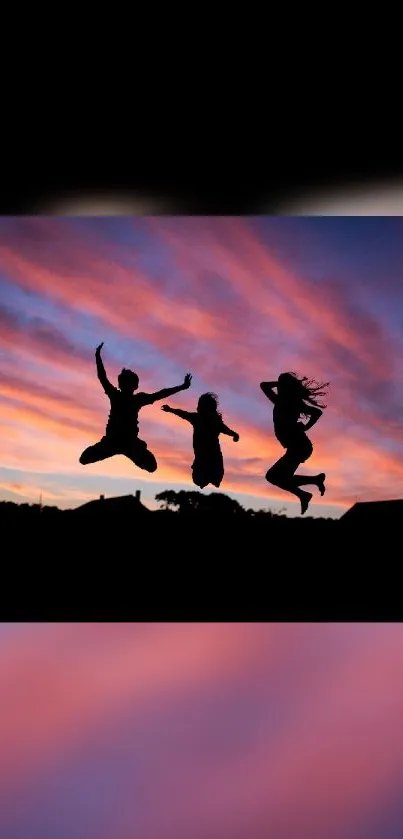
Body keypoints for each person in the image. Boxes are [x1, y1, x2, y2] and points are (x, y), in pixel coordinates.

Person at [79, 342, 192, 472]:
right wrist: (97, 356)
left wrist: (182, 387)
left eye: (130, 383)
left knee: (152, 467)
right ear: (120, 385)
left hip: (130, 443)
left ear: (135, 386)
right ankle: (113, 450)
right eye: (124, 383)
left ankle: (137, 454)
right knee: (84, 459)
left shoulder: (138, 399)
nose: (127, 386)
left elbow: (160, 394)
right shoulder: (115, 395)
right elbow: (102, 377)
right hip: (111, 442)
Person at [260, 372, 329, 514]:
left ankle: (313, 482)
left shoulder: (291, 403)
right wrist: (283, 383)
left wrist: (306, 427)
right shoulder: (281, 401)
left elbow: (317, 413)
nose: (279, 387)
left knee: (273, 477)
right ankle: (304, 492)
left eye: (282, 384)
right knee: (277, 478)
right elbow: (264, 386)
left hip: (299, 446)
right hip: (298, 446)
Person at [162, 392, 239, 489]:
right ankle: (207, 479)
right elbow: (182, 413)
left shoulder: (213, 421)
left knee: (216, 473)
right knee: (200, 477)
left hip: (213, 454)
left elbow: (225, 429)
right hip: (202, 455)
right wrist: (170, 410)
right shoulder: (197, 418)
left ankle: (212, 479)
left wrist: (234, 434)